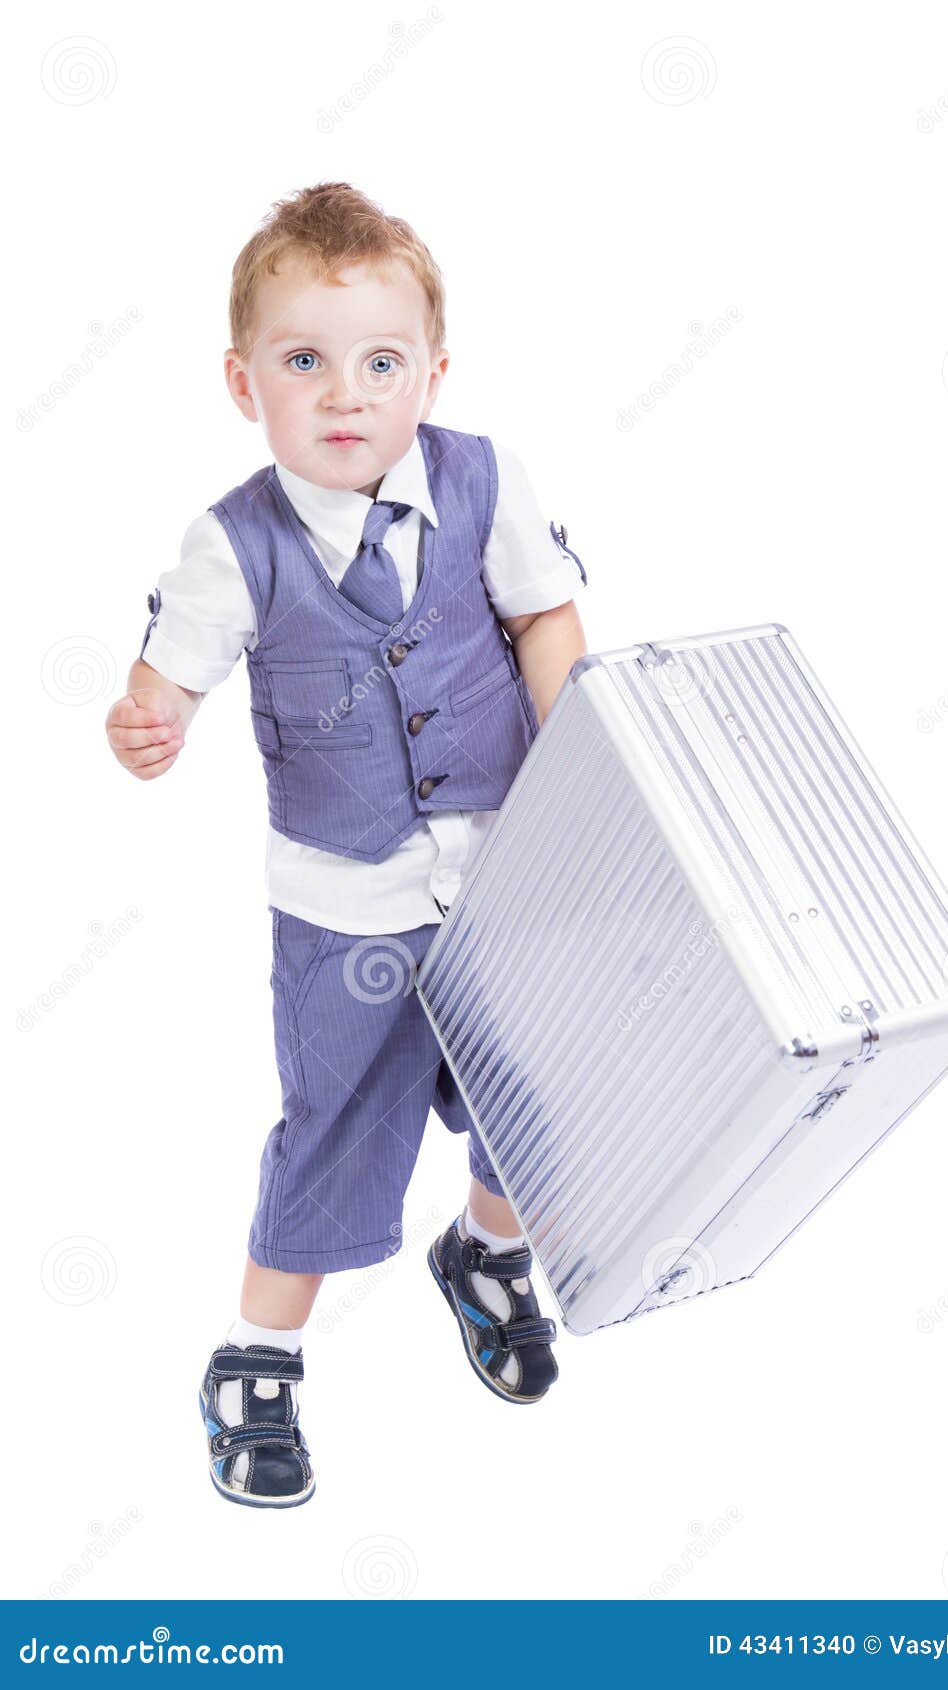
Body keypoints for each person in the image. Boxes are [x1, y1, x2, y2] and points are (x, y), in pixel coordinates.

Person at [104, 182, 589, 1507]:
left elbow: (545, 617)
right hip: (344, 908)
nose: (346, 394)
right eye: (303, 362)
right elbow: (164, 681)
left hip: (504, 878)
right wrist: (145, 722)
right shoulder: (235, 541)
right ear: (241, 379)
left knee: (531, 1102)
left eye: (382, 363)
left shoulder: (487, 477)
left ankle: (486, 1253)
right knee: (335, 1125)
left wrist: (580, 753)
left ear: (432, 371)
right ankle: (258, 1355)